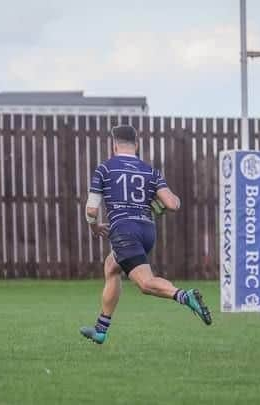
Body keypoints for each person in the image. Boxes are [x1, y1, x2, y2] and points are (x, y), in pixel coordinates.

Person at [79, 125, 212, 345]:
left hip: (123, 230)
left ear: (114, 145)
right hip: (147, 231)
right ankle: (101, 329)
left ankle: (184, 295)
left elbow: (91, 210)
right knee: (112, 266)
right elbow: (171, 204)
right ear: (136, 145)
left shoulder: (105, 168)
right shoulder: (151, 171)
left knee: (146, 284)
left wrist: (94, 227)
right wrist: (172, 201)